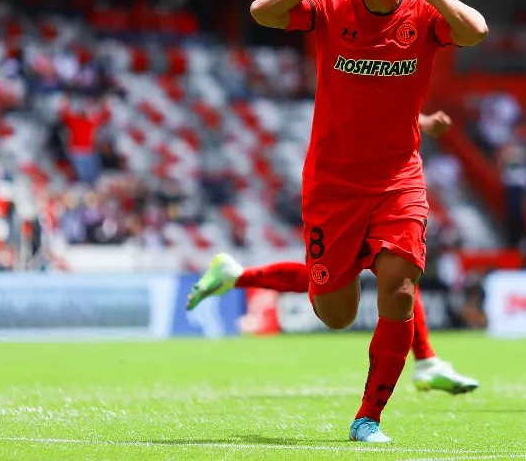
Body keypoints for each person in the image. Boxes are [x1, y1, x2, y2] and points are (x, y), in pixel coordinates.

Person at [190, 0, 488, 442]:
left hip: (399, 180)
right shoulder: (333, 3)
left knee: (398, 290)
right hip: (332, 185)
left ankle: (368, 417)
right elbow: (262, 11)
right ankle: (239, 274)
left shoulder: (423, 11)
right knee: (335, 310)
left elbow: (476, 31)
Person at [187, 111, 479, 396]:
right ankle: (237, 276)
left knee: (398, 267)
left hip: (382, 187)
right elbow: (365, 112)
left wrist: (421, 121)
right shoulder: (348, 73)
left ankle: (426, 360)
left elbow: (383, 108)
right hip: (341, 189)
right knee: (333, 280)